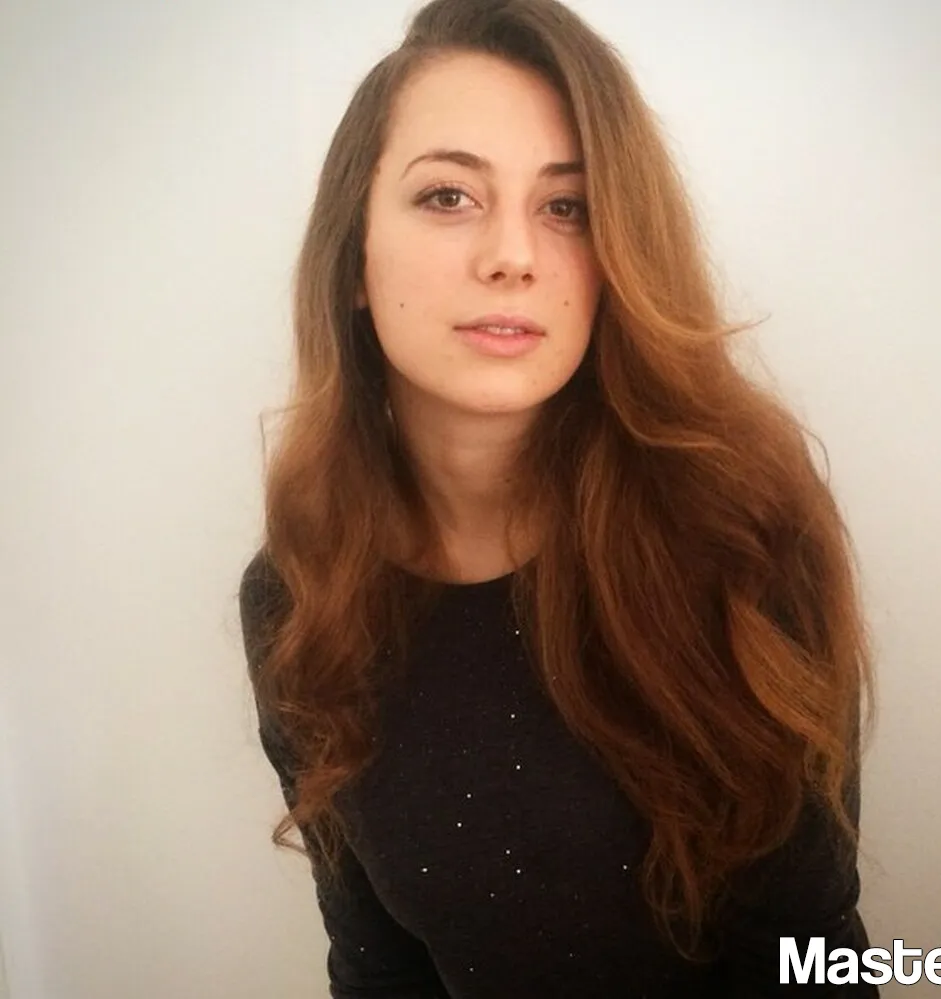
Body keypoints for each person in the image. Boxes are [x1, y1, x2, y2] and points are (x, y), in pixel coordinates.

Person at [238, 0, 880, 995]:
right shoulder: (298, 597)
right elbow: (376, 963)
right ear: (353, 255)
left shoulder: (738, 536)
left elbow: (812, 958)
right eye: (448, 195)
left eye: (566, 206)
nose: (513, 255)